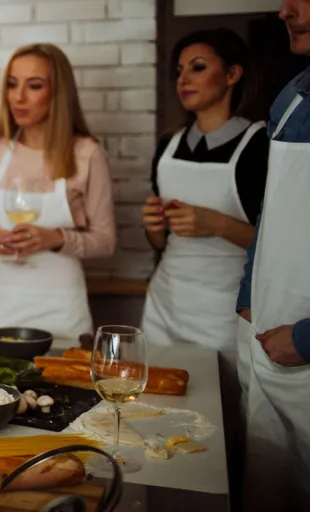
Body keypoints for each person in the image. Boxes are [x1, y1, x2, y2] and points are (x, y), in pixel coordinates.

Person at [140, 28, 267, 508]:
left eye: (198, 67)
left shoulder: (258, 146)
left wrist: (218, 223)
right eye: (179, 71)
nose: (184, 80)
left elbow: (279, 246)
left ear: (232, 74)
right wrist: (153, 226)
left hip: (223, 310)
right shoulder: (168, 145)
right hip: (166, 302)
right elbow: (160, 241)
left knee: (212, 433)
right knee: (151, 420)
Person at [0, 43, 116, 339]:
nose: (18, 97)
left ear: (58, 93)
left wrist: (56, 238)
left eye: (34, 86)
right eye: (11, 84)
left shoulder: (86, 153)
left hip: (60, 304)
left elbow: (107, 240)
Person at [238, 1, 310, 509]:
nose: (286, 9)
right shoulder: (292, 95)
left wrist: (306, 338)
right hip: (266, 342)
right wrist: (249, 296)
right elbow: (272, 210)